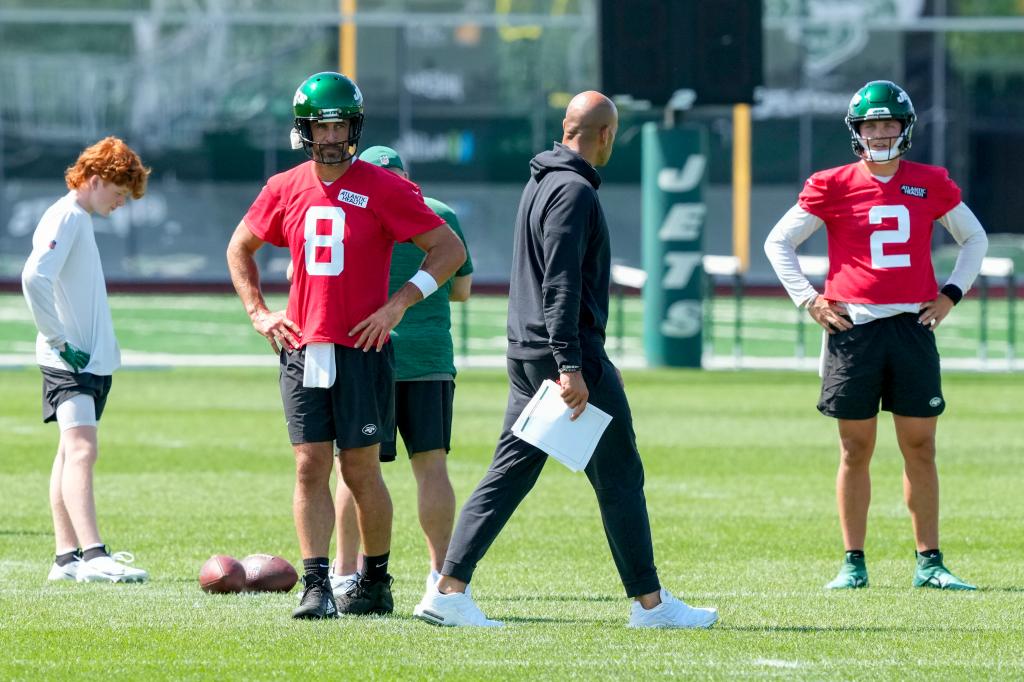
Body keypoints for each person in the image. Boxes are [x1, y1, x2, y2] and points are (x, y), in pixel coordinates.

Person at [412, 91, 719, 628]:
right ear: (605, 135)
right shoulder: (574, 190)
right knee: (620, 475)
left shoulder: (539, 181)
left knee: (510, 474)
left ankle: (447, 589)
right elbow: (561, 281)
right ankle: (650, 605)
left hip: (528, 352)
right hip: (564, 359)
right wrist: (571, 364)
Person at [226, 72, 466, 619]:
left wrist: (398, 303)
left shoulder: (384, 186)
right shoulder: (283, 187)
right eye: (321, 125)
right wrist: (259, 313)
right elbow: (240, 249)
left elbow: (447, 250)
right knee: (310, 466)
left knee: (360, 470)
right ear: (304, 129)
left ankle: (375, 581)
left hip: (361, 348)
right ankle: (317, 585)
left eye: (340, 125)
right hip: (305, 347)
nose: (331, 136)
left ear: (354, 127)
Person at [764, 80, 988, 591]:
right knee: (854, 447)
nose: (880, 133)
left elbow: (973, 237)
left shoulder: (930, 181)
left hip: (911, 325)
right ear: (856, 131)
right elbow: (778, 241)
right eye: (871, 124)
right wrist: (809, 298)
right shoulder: (832, 183)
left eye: (889, 124)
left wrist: (951, 292)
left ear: (905, 129)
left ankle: (929, 561)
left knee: (920, 445)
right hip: (854, 328)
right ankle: (853, 562)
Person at [325, 145, 474, 611]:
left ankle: (344, 570)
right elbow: (463, 290)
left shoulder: (352, 207)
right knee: (432, 468)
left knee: (355, 470)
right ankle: (440, 578)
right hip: (429, 359)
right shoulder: (440, 212)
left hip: (366, 355)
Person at [21, 136, 151, 584]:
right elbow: (33, 278)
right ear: (95, 180)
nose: (119, 204)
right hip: (70, 363)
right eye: (117, 194)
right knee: (82, 450)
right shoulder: (68, 216)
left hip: (88, 361)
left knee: (67, 454)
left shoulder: (77, 217)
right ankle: (95, 554)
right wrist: (58, 339)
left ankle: (65, 559)